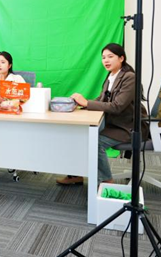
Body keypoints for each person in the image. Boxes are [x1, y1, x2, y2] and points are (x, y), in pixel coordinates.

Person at [56, 43, 148, 185]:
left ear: (121, 58)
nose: (106, 60)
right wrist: (81, 104)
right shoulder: (111, 76)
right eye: (103, 57)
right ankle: (76, 175)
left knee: (95, 142)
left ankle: (106, 180)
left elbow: (117, 106)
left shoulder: (130, 77)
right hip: (115, 124)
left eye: (110, 56)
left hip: (129, 127)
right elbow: (101, 99)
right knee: (80, 135)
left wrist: (87, 103)